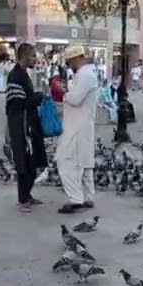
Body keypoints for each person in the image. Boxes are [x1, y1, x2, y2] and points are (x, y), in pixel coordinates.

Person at [56, 46, 100, 214]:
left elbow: (75, 99)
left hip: (77, 126)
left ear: (76, 59)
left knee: (66, 160)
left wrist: (63, 92)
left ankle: (75, 199)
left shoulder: (84, 75)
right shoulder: (87, 73)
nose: (69, 66)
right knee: (85, 161)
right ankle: (89, 197)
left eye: (69, 63)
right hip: (83, 124)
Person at [5, 42, 47, 213]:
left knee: (33, 161)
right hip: (20, 125)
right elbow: (17, 104)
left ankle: (27, 195)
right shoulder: (15, 76)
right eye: (32, 56)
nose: (35, 59)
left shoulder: (24, 74)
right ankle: (22, 199)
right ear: (24, 57)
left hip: (29, 123)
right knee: (24, 161)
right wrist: (39, 97)